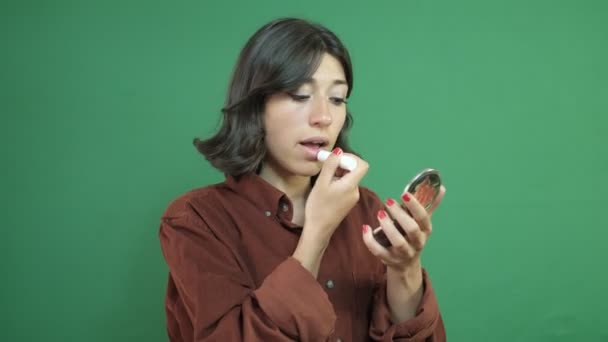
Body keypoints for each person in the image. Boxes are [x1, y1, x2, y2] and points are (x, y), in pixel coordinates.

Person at [158, 17, 447, 342]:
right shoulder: (195, 220)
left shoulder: (365, 208)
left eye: (337, 99)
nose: (323, 117)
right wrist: (317, 234)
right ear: (256, 106)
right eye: (299, 95)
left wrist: (405, 269)